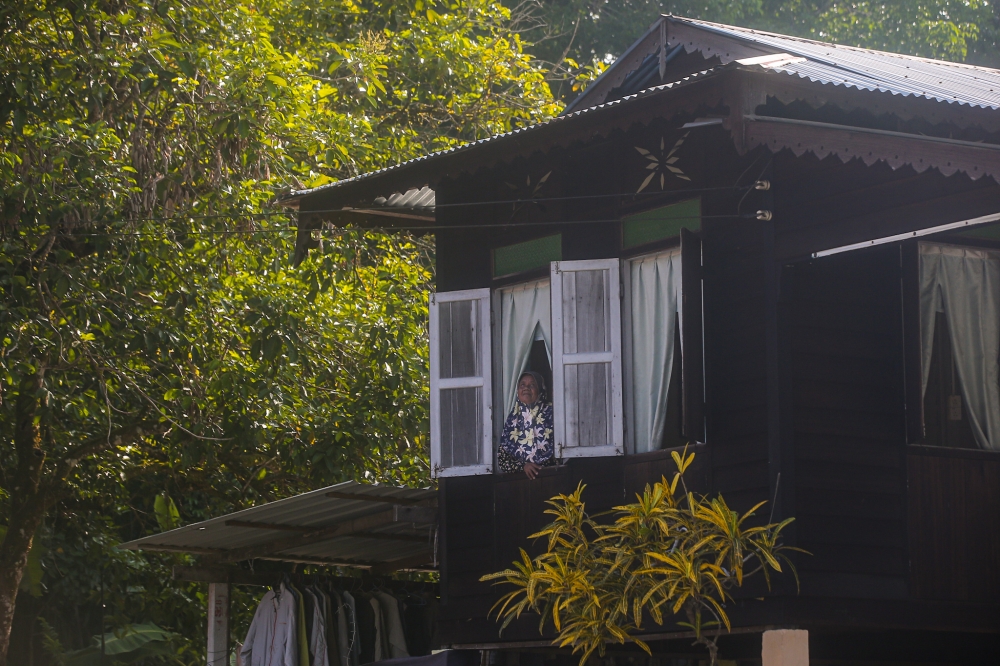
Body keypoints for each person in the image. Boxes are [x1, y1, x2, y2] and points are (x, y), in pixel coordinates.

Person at [498, 371, 556, 478]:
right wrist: (523, 466)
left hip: (552, 478)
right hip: (520, 485)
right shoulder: (513, 418)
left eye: (532, 385)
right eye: (522, 385)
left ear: (540, 390)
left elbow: (562, 450)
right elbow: (503, 460)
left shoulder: (552, 414)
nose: (526, 388)